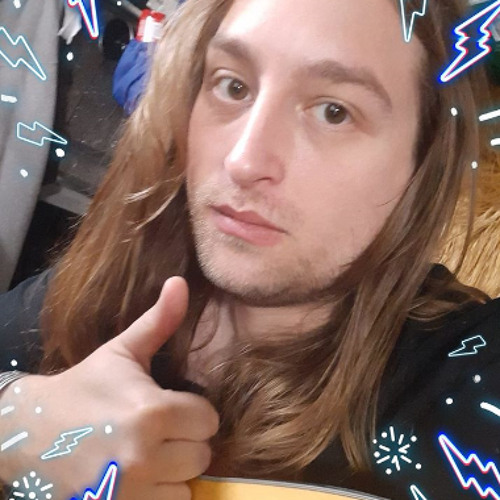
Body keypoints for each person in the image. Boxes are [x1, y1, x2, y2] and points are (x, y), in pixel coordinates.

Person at [0, 0, 499, 499]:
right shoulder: (116, 277)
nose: (243, 161)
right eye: (232, 86)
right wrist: (17, 419)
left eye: (334, 112)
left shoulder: (461, 374)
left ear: (422, 166)